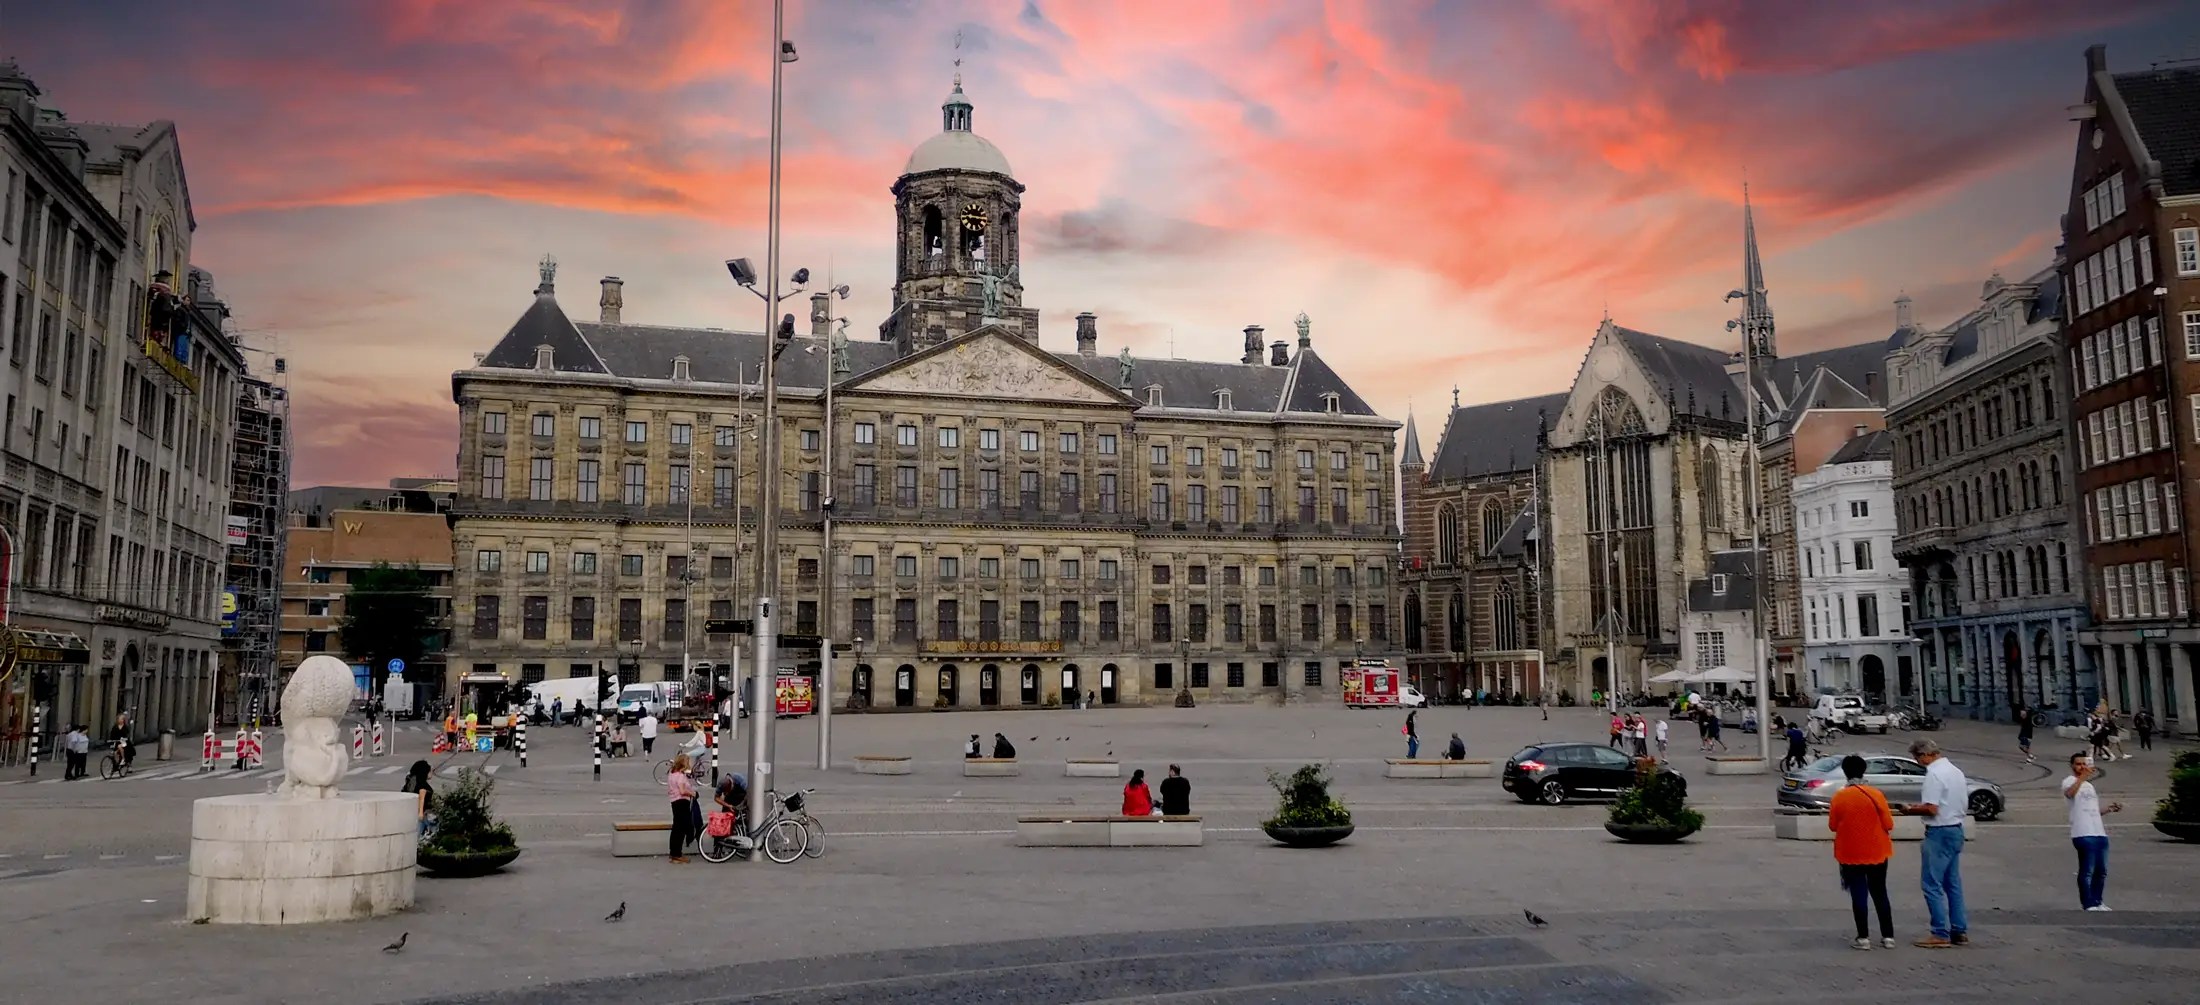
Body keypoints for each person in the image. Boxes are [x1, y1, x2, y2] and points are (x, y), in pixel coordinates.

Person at [1897, 738, 1969, 948]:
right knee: (1953, 884)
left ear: (1925, 755)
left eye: (1917, 757)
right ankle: (1959, 929)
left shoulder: (1934, 775)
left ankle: (1939, 932)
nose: (1917, 762)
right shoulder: (1956, 771)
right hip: (1956, 828)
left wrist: (1909, 809)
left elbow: (1931, 809)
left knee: (1931, 883)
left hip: (1938, 831)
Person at [1827, 754, 1895, 949]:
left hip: (1850, 853)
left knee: (1859, 894)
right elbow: (1889, 823)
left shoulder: (1840, 796)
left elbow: (1833, 825)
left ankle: (1863, 937)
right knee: (1880, 892)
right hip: (1877, 850)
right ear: (1864, 770)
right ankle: (1888, 936)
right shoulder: (1876, 794)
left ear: (1845, 772)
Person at [2063, 751, 2122, 910]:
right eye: (2078, 764)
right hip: (2083, 832)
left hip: (2099, 831)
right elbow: (2070, 794)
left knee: (2101, 870)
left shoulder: (2089, 785)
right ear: (2072, 766)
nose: (2082, 767)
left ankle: (2098, 901)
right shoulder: (2069, 781)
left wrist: (2108, 809)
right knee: (2087, 870)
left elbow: (2093, 810)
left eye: (2084, 763)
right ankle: (2087, 902)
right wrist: (2082, 777)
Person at [665, 754, 698, 863]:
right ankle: (677, 853)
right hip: (682, 802)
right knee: (682, 827)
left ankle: (673, 852)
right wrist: (692, 793)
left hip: (674, 802)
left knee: (676, 828)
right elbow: (682, 791)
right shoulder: (680, 776)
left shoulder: (671, 774)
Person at [401, 760, 436, 837]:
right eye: (430, 771)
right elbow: (422, 797)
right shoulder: (423, 785)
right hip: (423, 814)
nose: (432, 772)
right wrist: (420, 813)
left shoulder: (412, 781)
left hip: (410, 812)